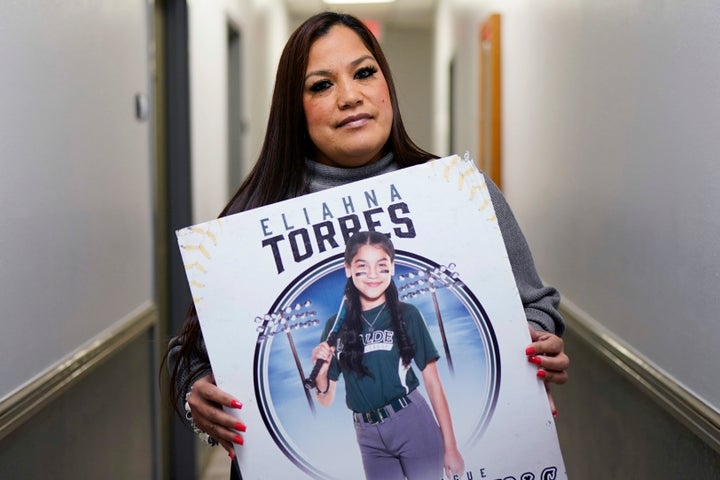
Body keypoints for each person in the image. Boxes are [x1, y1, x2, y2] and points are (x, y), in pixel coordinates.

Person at [165, 11, 569, 480]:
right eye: (321, 85)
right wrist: (198, 394)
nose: (350, 96)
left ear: (386, 84)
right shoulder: (247, 226)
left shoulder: (461, 194)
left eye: (363, 72)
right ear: (294, 109)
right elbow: (187, 357)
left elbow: (536, 305)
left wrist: (536, 347)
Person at [311, 231, 464, 479]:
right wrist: (321, 372)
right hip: (367, 434)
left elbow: (433, 383)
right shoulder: (335, 326)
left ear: (392, 268)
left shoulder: (408, 315)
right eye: (363, 266)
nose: (373, 275)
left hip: (411, 422)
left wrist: (451, 447)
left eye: (381, 266)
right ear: (348, 269)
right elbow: (326, 400)